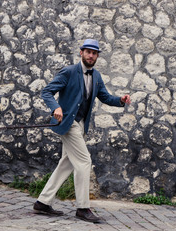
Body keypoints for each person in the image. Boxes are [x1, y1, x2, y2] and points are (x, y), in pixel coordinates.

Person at [33, 39, 131, 223]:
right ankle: (82, 207)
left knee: (67, 163)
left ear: (97, 56)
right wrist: (56, 107)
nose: (91, 55)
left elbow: (105, 97)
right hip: (68, 123)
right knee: (84, 161)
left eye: (94, 53)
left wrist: (120, 100)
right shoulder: (69, 72)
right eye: (88, 52)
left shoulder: (97, 77)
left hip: (81, 125)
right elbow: (47, 92)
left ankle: (43, 202)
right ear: (81, 53)